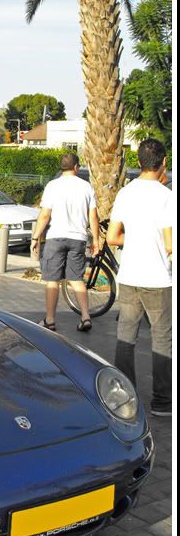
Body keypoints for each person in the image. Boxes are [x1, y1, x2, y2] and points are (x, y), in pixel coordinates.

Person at [106, 139, 172, 418]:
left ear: (139, 161)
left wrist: (134, 240)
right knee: (162, 338)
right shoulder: (167, 196)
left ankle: (124, 396)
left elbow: (112, 237)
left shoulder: (126, 193)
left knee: (126, 337)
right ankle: (162, 402)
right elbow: (170, 244)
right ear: (163, 163)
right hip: (158, 279)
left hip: (129, 276)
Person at [31, 152, 99, 332]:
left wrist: (35, 237)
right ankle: (85, 316)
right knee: (76, 279)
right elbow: (93, 216)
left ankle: (50, 319)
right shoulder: (86, 187)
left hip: (56, 237)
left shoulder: (52, 186)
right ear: (76, 167)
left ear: (61, 168)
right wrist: (96, 240)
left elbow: (45, 215)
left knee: (52, 280)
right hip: (78, 239)